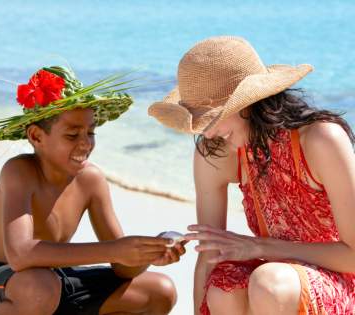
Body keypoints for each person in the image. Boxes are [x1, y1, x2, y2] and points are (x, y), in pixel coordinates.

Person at [148, 36, 355, 314]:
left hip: (339, 280)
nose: (207, 133)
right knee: (224, 287)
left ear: (246, 104)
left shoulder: (320, 139)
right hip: (274, 274)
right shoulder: (215, 153)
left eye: (212, 118)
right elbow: (210, 254)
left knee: (269, 282)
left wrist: (259, 247)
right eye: (199, 123)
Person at [0, 66, 186, 315]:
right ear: (36, 136)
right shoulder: (19, 172)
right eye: (72, 134)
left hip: (50, 281)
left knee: (160, 290)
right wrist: (114, 249)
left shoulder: (91, 180)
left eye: (91, 132)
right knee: (39, 287)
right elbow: (20, 255)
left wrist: (146, 254)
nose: (85, 143)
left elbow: (122, 267)